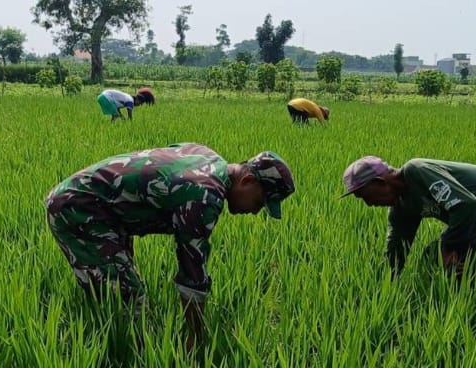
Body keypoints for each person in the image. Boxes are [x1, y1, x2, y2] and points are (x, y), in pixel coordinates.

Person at [45, 144, 295, 350]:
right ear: (248, 180)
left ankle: (116, 347)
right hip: (78, 209)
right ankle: (124, 367)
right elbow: (192, 275)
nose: (254, 212)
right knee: (127, 298)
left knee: (118, 288)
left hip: (103, 209)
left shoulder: (208, 156)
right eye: (261, 202)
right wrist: (196, 340)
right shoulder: (204, 196)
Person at [340, 155, 476, 278]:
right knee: (433, 258)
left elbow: (465, 204)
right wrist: (385, 281)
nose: (369, 204)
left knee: (463, 267)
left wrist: (450, 246)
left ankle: (470, 311)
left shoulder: (417, 171)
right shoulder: (401, 206)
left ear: (380, 182)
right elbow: (397, 245)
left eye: (366, 196)